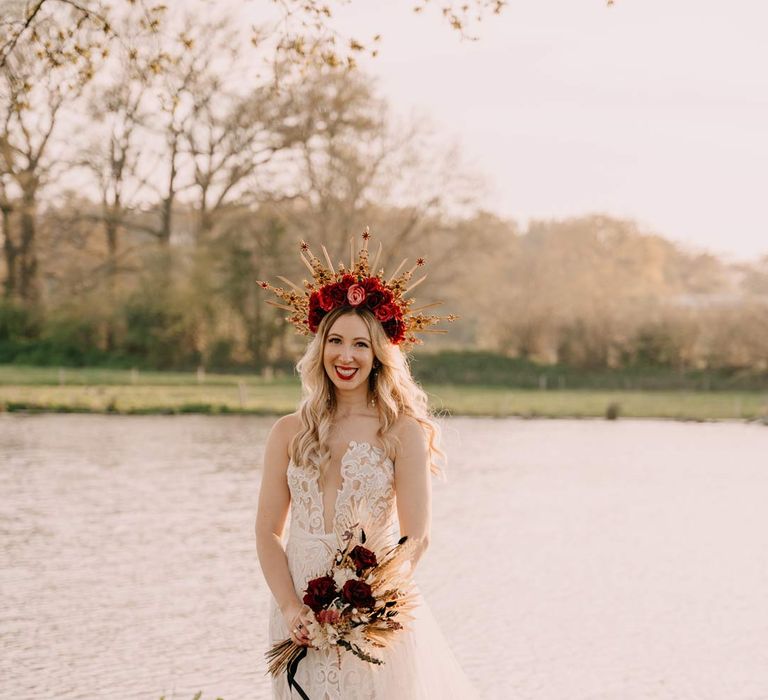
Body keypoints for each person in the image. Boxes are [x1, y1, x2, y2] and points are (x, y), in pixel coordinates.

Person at [255, 229, 478, 699]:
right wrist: (293, 608)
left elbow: (416, 536)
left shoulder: (401, 432)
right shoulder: (287, 433)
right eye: (336, 340)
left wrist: (367, 602)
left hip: (374, 617)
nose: (346, 355)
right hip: (298, 615)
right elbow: (268, 532)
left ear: (379, 353)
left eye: (360, 344)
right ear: (320, 348)